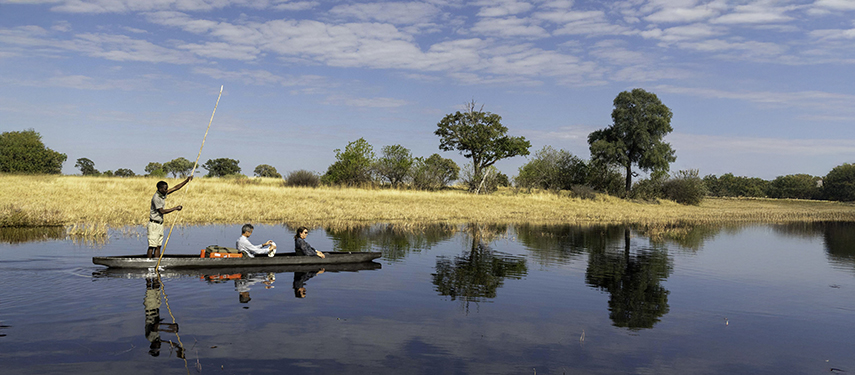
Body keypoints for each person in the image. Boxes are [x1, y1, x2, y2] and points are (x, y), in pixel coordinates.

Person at [148, 177, 192, 258]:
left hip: (160, 224)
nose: (167, 190)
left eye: (167, 188)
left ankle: (156, 261)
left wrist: (186, 180)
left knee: (158, 246)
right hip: (154, 225)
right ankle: (148, 262)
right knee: (152, 246)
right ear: (160, 189)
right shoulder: (156, 198)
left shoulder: (162, 194)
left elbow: (175, 188)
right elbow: (162, 211)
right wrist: (175, 208)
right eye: (165, 189)